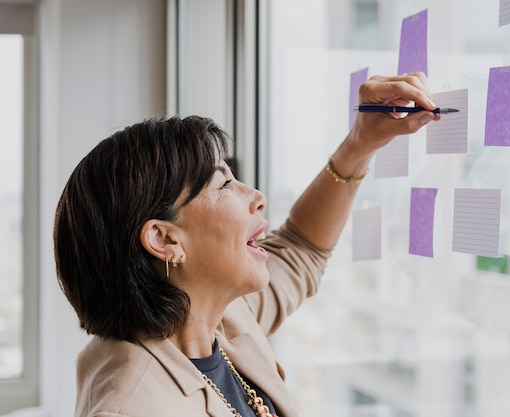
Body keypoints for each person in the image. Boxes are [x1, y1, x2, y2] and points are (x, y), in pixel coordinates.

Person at [53, 72, 440, 417]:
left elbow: (301, 248)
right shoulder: (134, 406)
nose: (256, 195)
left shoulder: (218, 318)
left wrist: (360, 143)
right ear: (164, 238)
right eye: (223, 184)